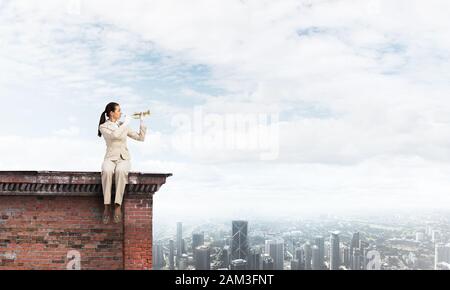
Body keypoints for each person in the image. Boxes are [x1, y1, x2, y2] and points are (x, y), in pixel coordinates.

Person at [97, 102, 147, 224]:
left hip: (123, 158)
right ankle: (107, 205)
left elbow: (141, 138)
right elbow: (114, 136)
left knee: (120, 171)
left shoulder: (122, 125)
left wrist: (141, 121)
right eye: (118, 110)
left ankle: (117, 205)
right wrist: (125, 124)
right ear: (111, 113)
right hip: (110, 157)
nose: (120, 113)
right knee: (107, 171)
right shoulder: (103, 126)